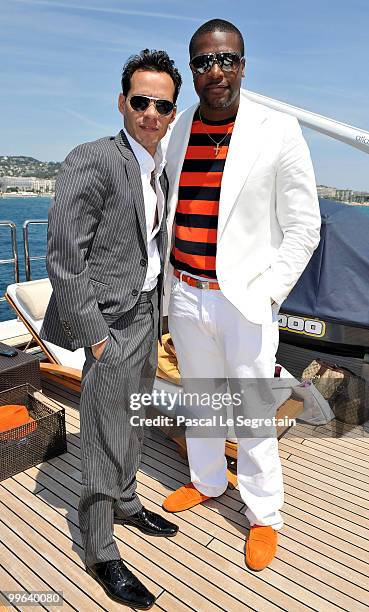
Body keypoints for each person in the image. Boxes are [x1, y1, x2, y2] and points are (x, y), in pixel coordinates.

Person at [162, 19, 321, 571]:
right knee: (201, 401)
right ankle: (205, 482)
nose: (216, 72)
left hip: (244, 301)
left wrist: (269, 294)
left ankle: (264, 516)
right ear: (192, 69)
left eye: (226, 60)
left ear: (243, 65)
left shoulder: (278, 130)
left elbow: (304, 226)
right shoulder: (179, 129)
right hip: (185, 291)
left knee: (252, 414)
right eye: (204, 62)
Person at [41, 49, 182, 609]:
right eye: (141, 101)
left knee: (136, 420)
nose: (151, 112)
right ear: (123, 102)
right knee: (101, 434)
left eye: (162, 104)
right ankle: (101, 550)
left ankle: (126, 500)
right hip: (111, 323)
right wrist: (96, 334)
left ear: (172, 113)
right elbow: (63, 256)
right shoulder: (92, 158)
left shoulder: (157, 169)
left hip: (147, 313)